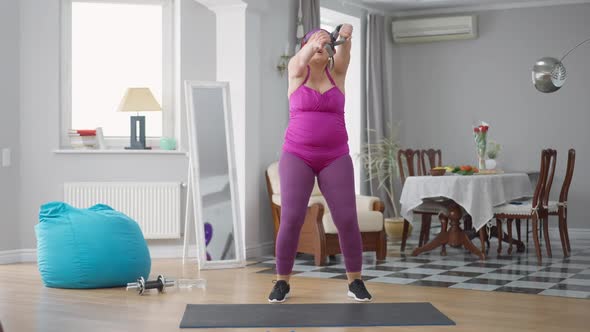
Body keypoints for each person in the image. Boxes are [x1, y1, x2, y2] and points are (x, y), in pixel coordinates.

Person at [268, 24, 372, 303]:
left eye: (326, 47)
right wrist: (313, 43)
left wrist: (345, 38)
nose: (321, 50)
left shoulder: (336, 74)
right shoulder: (296, 73)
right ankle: (281, 282)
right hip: (296, 155)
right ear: (307, 45)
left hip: (335, 156)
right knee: (291, 219)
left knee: (347, 219)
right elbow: (297, 60)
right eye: (316, 44)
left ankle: (355, 281)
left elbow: (344, 54)